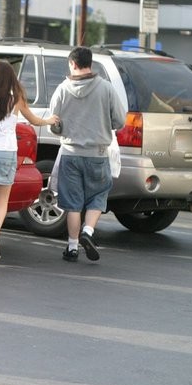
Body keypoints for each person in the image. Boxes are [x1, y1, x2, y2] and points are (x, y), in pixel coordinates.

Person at [0, 60, 58, 263]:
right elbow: (33, 120)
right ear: (11, 79)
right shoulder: (16, 100)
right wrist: (49, 120)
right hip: (7, 153)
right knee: (2, 201)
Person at [48, 46, 127, 262]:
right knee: (97, 198)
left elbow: (53, 126)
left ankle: (72, 248)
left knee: (72, 204)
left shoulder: (62, 90)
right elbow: (120, 121)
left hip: (70, 154)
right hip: (98, 155)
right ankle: (88, 232)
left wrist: (62, 127)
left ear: (73, 64)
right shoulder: (106, 89)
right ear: (90, 63)